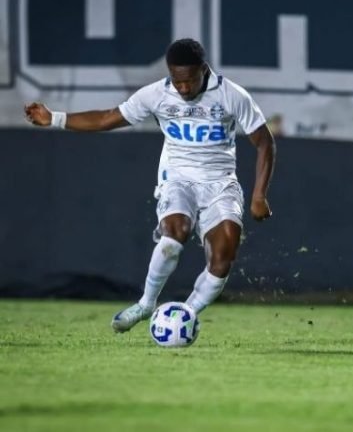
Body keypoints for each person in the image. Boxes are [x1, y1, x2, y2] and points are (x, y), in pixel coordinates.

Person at [25, 38, 275, 333]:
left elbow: (265, 143)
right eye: (177, 81)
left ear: (203, 70)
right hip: (177, 180)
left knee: (223, 259)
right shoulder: (156, 95)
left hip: (220, 184)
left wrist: (259, 194)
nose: (183, 89)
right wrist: (54, 118)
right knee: (173, 237)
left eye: (190, 81)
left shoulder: (231, 95)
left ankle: (184, 317)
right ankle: (146, 304)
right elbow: (107, 118)